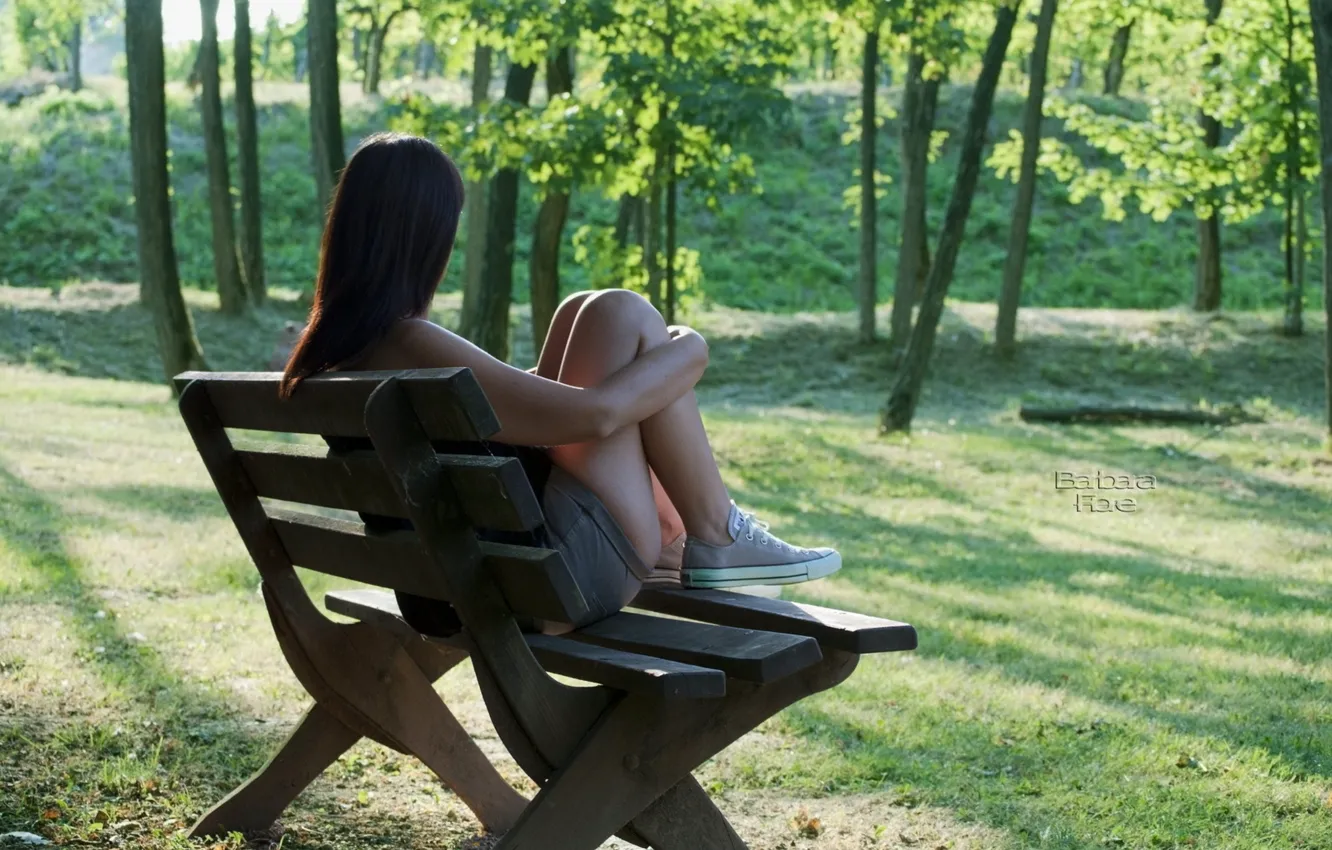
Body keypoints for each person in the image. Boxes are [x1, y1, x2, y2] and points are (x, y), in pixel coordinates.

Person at [280, 132, 839, 630]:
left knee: (581, 313)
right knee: (621, 315)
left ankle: (697, 536)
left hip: (457, 587)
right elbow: (596, 415)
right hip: (543, 584)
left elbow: (512, 409)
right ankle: (715, 534)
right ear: (426, 236)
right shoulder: (408, 341)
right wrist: (689, 348)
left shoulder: (343, 353)